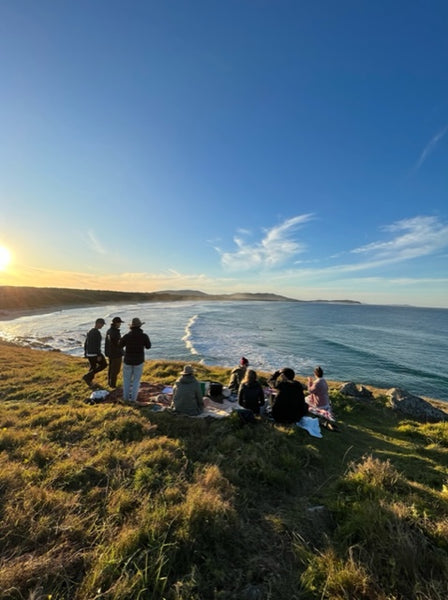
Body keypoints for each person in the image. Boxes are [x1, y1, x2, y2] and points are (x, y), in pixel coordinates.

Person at [118, 317, 151, 403]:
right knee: (136, 381)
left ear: (131, 326)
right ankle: (133, 399)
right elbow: (148, 346)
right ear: (140, 326)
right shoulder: (144, 336)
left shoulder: (127, 336)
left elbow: (119, 345)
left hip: (128, 360)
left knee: (126, 380)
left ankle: (125, 398)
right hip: (138, 361)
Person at [83, 318, 107, 386]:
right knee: (104, 364)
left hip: (89, 353)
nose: (102, 326)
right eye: (102, 324)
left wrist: (85, 352)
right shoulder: (97, 333)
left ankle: (89, 381)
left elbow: (86, 343)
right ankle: (87, 376)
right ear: (97, 323)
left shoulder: (90, 331)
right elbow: (97, 345)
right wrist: (99, 355)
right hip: (94, 353)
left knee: (93, 367)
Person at [105, 316, 124, 388]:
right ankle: (112, 385)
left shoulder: (109, 330)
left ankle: (110, 383)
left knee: (111, 369)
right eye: (119, 323)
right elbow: (117, 343)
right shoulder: (115, 332)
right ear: (116, 323)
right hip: (116, 354)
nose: (120, 324)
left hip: (110, 353)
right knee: (115, 370)